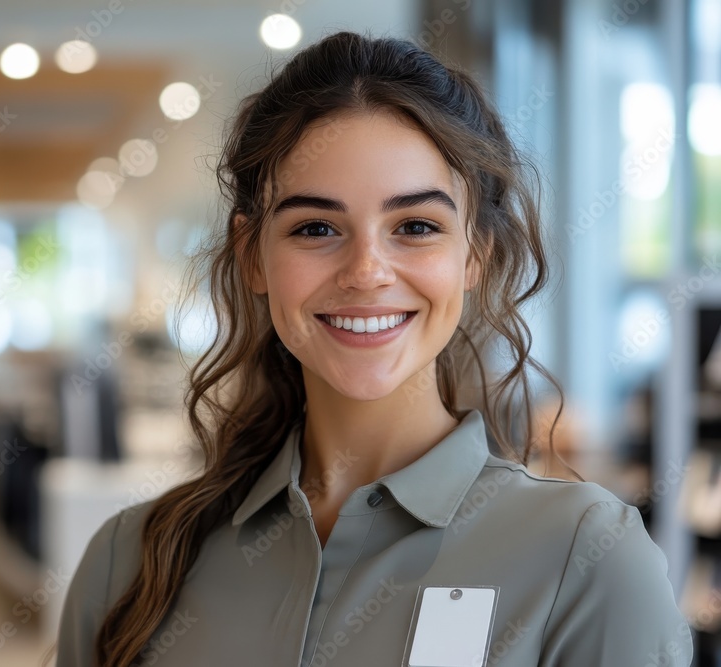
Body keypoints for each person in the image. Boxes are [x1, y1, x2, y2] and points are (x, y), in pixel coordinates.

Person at [49, 30, 694, 666]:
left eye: (415, 226)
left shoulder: (586, 561)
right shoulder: (128, 563)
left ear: (476, 255)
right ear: (252, 256)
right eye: (316, 228)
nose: (366, 271)